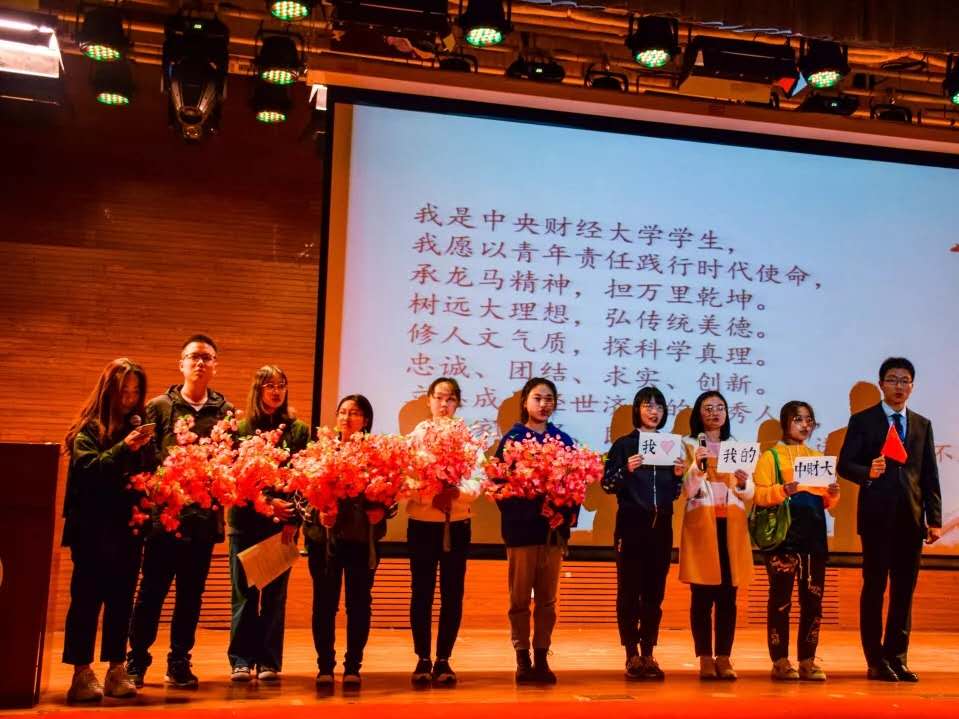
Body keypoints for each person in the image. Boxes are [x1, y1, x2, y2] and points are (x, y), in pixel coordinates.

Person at [127, 334, 234, 689]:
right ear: (182, 363)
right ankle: (136, 660)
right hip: (164, 520)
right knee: (151, 592)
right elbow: (144, 459)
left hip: (202, 521)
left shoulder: (225, 411)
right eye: (194, 356)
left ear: (215, 365)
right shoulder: (158, 407)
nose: (200, 363)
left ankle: (179, 660)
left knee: (191, 595)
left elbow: (229, 461)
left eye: (207, 357)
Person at [838, 357, 941, 682]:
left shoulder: (922, 424)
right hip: (876, 519)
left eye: (905, 380)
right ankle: (875, 659)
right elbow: (844, 465)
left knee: (903, 592)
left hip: (911, 519)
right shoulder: (863, 421)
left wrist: (935, 518)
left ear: (912, 386)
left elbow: (929, 474)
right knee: (874, 588)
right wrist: (867, 471)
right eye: (893, 380)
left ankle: (897, 657)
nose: (899, 386)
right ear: (881, 384)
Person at [61, 359, 153, 702]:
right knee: (86, 602)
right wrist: (124, 448)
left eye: (135, 392)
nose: (129, 399)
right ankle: (81, 672)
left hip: (128, 530)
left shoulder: (139, 429)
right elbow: (89, 470)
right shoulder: (88, 430)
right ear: (108, 391)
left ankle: (117, 668)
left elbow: (150, 471)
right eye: (123, 391)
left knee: (121, 602)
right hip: (92, 531)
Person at [227, 366, 310, 683]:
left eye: (281, 385)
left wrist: (294, 520)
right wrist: (265, 501)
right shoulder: (240, 429)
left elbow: (306, 478)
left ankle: (269, 661)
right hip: (245, 522)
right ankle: (241, 660)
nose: (276, 391)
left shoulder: (298, 430)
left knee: (275, 597)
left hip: (282, 524)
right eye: (270, 385)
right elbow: (231, 479)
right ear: (258, 389)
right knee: (244, 596)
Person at [494, 377, 578, 685]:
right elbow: (498, 485)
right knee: (519, 599)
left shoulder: (563, 440)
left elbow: (576, 485)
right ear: (525, 402)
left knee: (547, 600)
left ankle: (542, 656)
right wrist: (529, 508)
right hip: (521, 532)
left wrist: (562, 514)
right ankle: (522, 657)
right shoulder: (512, 440)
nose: (544, 404)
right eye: (538, 398)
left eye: (549, 399)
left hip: (552, 534)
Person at [306, 394, 392, 689]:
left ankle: (353, 665)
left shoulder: (377, 454)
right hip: (324, 541)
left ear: (365, 420)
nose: (347, 417)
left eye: (354, 413)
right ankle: (325, 666)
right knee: (324, 605)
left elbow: (391, 496)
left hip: (362, 541)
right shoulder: (321, 450)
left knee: (358, 605)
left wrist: (382, 511)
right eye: (342, 412)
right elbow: (302, 493)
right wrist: (318, 514)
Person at [602, 386, 685, 680]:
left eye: (659, 406)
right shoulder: (624, 445)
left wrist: (678, 477)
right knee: (629, 591)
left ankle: (648, 651)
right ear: (637, 409)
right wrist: (626, 469)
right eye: (648, 406)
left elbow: (673, 493)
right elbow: (607, 484)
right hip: (631, 525)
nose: (654, 411)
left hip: (661, 527)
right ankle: (631, 654)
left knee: (654, 593)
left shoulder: (669, 445)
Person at [753, 401, 839, 681]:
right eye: (798, 419)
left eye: (809, 420)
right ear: (785, 422)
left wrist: (833, 493)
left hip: (814, 538)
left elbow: (828, 503)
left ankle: (807, 660)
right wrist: (783, 490)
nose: (805, 425)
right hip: (783, 539)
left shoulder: (817, 457)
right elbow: (760, 496)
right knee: (781, 601)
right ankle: (779, 660)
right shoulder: (771, 457)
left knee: (813, 601)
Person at [406, 378, 482, 686]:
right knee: (421, 593)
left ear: (457, 403)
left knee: (452, 594)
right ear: (428, 400)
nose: (444, 404)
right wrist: (430, 497)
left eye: (450, 399)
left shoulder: (468, 440)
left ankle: (443, 659)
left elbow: (478, 481)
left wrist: (455, 493)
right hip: (422, 525)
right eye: (439, 397)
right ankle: (423, 658)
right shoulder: (416, 437)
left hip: (458, 525)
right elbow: (405, 479)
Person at [679, 390, 754, 681]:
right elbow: (686, 490)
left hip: (731, 525)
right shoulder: (687, 445)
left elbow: (749, 492)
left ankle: (724, 656)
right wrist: (697, 467)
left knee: (727, 597)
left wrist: (744, 483)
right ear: (698, 413)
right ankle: (705, 657)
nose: (714, 413)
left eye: (720, 407)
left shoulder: (737, 446)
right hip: (703, 524)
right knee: (701, 596)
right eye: (708, 408)